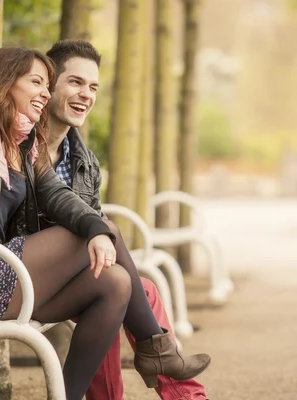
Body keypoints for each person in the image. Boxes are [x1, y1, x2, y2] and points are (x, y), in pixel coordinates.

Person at [0, 47, 210, 400]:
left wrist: (95, 230)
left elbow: (61, 199)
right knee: (105, 229)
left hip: (7, 282)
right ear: (5, 82)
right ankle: (159, 353)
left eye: (48, 85)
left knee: (116, 283)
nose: (45, 94)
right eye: (37, 83)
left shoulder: (25, 144)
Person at [43, 39, 209, 400]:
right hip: (30, 271)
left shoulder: (83, 159)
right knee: (120, 284)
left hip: (75, 273)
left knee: (130, 286)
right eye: (75, 82)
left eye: (93, 87)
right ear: (48, 82)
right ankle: (162, 356)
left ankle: (185, 393)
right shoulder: (21, 145)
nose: (86, 94)